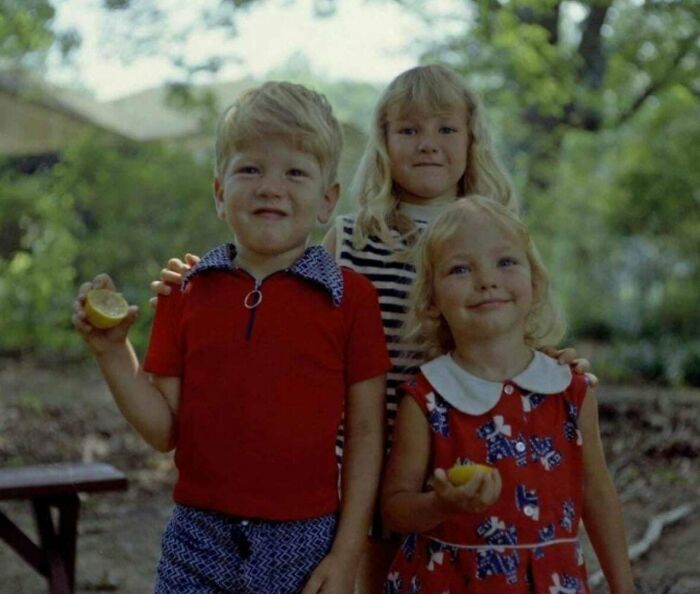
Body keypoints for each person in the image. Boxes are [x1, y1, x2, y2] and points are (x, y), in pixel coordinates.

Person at [149, 64, 593, 593]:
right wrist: (203, 279)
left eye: (445, 130)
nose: (428, 144)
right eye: (408, 130)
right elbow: (285, 284)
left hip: (462, 431)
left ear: (472, 140)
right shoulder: (354, 233)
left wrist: (550, 358)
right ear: (382, 142)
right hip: (364, 441)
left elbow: (516, 310)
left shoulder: (490, 228)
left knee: (458, 558)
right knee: (373, 572)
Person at [73, 81, 391, 594]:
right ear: (220, 192)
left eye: (295, 172)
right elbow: (162, 431)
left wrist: (348, 549)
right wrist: (112, 352)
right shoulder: (186, 293)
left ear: (327, 200)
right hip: (197, 535)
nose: (270, 186)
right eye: (250, 169)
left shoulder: (350, 300)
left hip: (306, 537)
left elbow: (366, 435)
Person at [381, 196, 633, 593]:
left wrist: (625, 587)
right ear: (431, 299)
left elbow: (597, 494)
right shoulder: (427, 397)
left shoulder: (571, 391)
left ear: (534, 282)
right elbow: (395, 508)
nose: (487, 280)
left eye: (506, 262)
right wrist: (440, 505)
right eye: (461, 268)